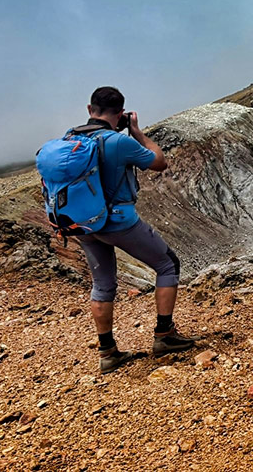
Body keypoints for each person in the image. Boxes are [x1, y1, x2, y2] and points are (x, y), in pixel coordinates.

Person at [75, 86, 194, 372]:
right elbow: (159, 162)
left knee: (103, 284)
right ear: (120, 114)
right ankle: (164, 336)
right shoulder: (118, 141)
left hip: (81, 223)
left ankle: (108, 353)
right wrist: (137, 131)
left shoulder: (71, 139)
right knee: (167, 265)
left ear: (90, 110)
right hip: (117, 222)